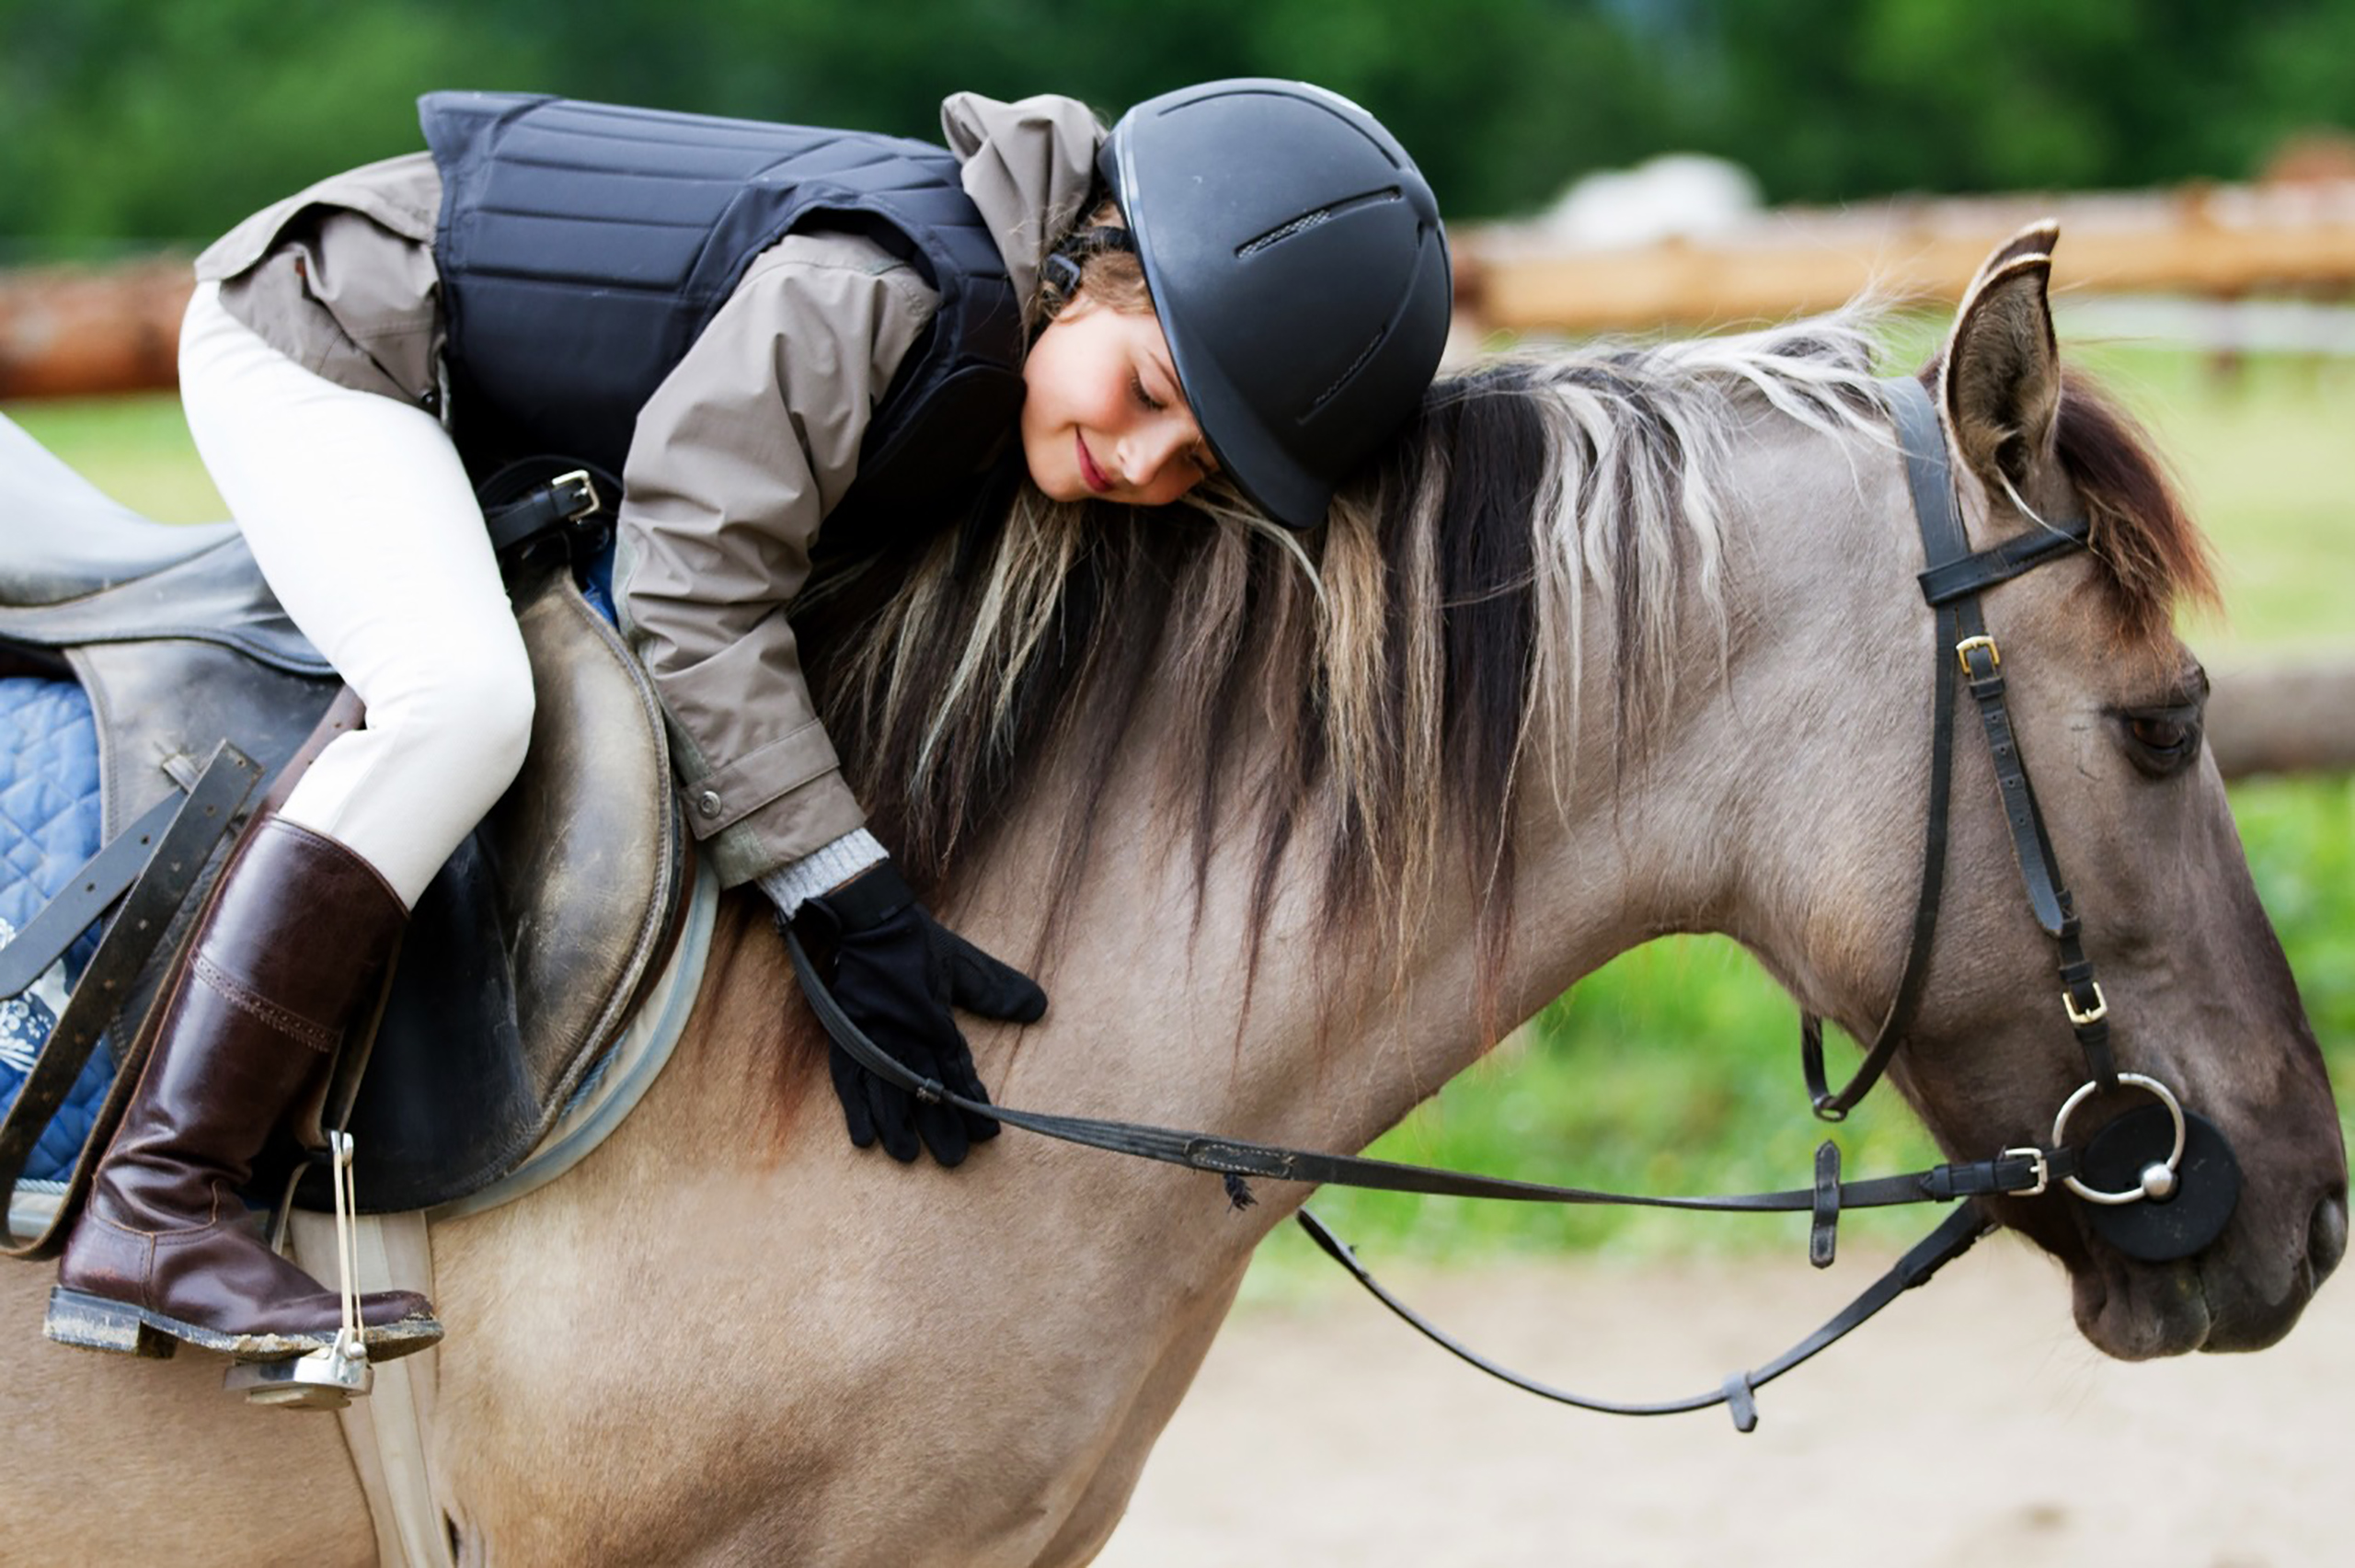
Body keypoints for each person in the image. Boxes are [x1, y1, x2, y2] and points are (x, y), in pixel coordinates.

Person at [44, 80, 1453, 1365]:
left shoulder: (1006, 333)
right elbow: (693, 576)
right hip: (328, 337)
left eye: (1189, 459)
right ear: (1080, 271)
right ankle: (160, 1191)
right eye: (1148, 392)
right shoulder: (881, 294)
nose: (1135, 462)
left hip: (463, 389)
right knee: (459, 701)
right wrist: (842, 886)